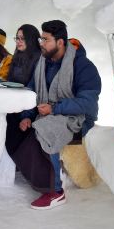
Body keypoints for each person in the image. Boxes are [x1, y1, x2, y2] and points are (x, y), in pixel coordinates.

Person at [18, 20, 101, 210]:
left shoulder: (83, 66)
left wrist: (55, 109)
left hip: (79, 118)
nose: (41, 43)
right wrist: (27, 116)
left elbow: (87, 103)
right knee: (16, 125)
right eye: (41, 38)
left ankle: (55, 191)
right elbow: (33, 91)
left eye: (46, 40)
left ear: (60, 42)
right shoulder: (43, 63)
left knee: (47, 129)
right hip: (51, 113)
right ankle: (35, 174)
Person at [5, 24, 41, 158]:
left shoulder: (39, 60)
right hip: (15, 104)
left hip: (29, 108)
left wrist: (27, 115)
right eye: (17, 38)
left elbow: (34, 89)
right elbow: (10, 81)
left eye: (23, 39)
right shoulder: (18, 56)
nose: (19, 42)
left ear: (31, 40)